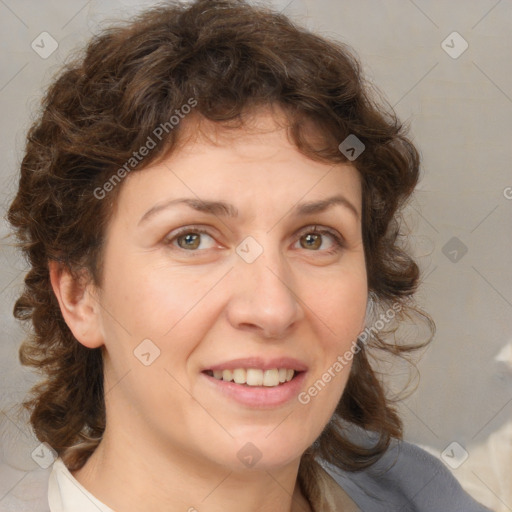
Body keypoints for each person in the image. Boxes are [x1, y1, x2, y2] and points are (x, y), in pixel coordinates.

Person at [5, 0, 492, 510]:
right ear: (81, 295)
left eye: (315, 238)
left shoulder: (419, 491)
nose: (272, 309)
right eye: (191, 239)